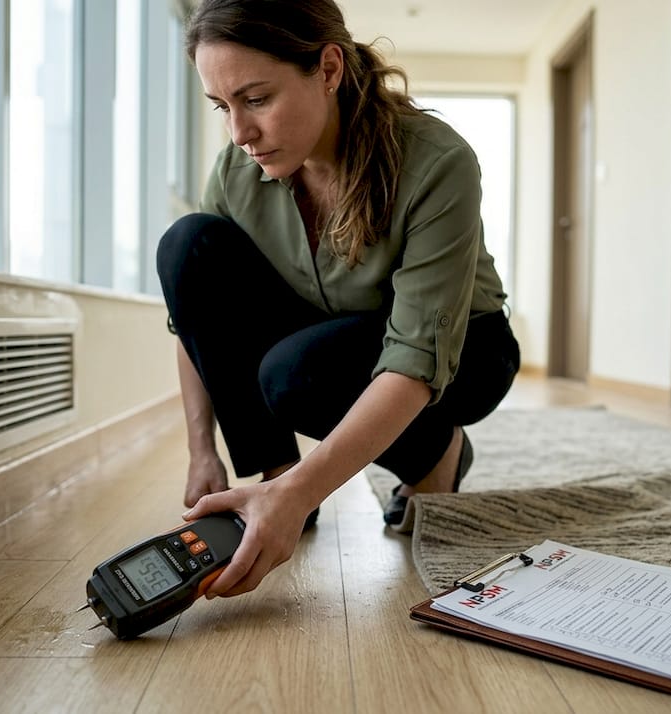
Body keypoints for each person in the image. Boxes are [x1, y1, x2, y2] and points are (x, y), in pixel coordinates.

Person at [156, 0, 520, 599]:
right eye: (223, 107)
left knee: (294, 375)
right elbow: (193, 320)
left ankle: (437, 454)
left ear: (327, 69)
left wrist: (305, 489)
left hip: (462, 350)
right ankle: (273, 477)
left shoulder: (438, 162)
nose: (239, 134)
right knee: (188, 245)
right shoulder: (235, 171)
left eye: (256, 99)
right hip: (332, 333)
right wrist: (203, 451)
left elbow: (413, 356)